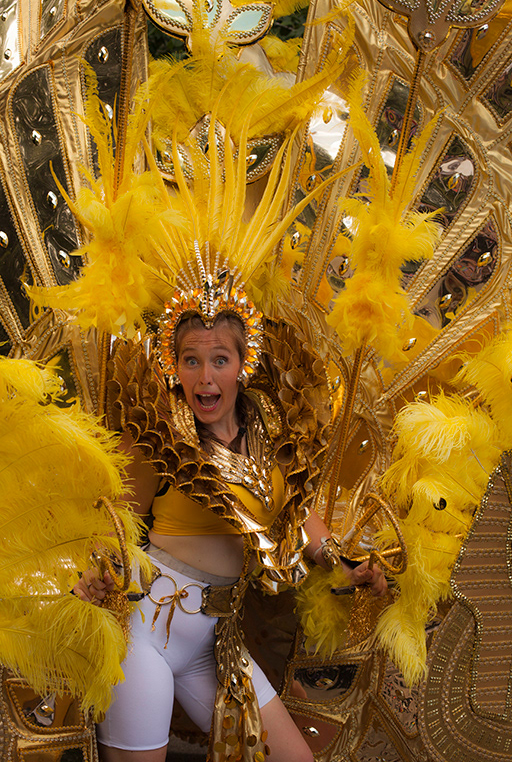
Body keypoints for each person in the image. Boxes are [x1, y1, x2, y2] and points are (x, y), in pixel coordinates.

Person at [75, 304, 387, 762]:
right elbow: (114, 522)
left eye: (220, 359)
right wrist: (100, 571)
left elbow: (294, 513)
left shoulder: (271, 427)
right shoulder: (158, 432)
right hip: (143, 634)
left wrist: (337, 559)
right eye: (191, 360)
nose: (205, 378)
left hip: (216, 643)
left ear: (244, 364)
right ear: (174, 365)